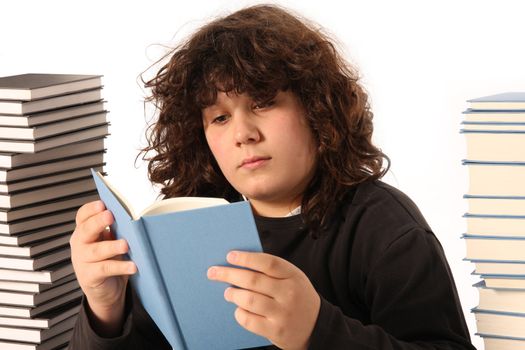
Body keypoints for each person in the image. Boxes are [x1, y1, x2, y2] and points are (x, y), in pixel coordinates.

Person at [68, 4, 475, 350]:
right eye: (220, 117)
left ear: (318, 109)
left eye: (262, 103)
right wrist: (105, 309)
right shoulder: (187, 231)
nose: (243, 134)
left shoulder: (385, 229)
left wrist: (318, 332)